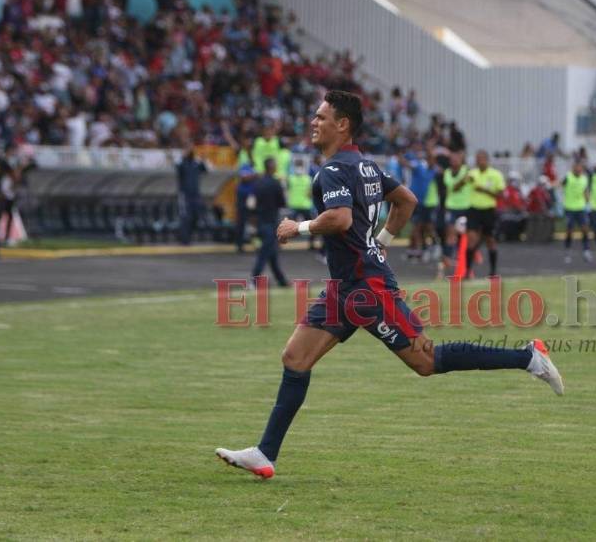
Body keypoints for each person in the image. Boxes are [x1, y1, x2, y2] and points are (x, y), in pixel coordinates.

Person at [216, 90, 564, 479]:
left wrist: (298, 227)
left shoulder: (333, 171)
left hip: (366, 288)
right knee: (294, 359)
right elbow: (407, 201)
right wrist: (379, 244)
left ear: (342, 124)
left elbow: (341, 219)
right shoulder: (364, 166)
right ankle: (265, 454)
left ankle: (528, 357)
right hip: (345, 286)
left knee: (426, 362)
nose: (313, 122)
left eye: (321, 117)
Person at [465, 150, 504, 278]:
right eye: (477, 158)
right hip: (474, 209)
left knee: (490, 240)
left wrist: (484, 190)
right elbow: (456, 187)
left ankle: (493, 271)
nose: (479, 161)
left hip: (488, 210)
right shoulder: (472, 174)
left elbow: (500, 194)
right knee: (471, 240)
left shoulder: (496, 175)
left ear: (487, 160)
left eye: (481, 158)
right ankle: (467, 271)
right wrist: (462, 180)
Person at [250, 157, 288, 287]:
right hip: (271, 222)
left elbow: (252, 204)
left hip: (261, 221)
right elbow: (282, 203)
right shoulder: (275, 183)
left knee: (272, 253)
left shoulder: (258, 183)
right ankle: (254, 280)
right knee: (265, 253)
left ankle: (281, 280)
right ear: (272, 167)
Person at [441, 151, 470, 271]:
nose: (454, 162)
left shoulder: (466, 170)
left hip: (465, 206)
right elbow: (453, 187)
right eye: (452, 160)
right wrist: (462, 181)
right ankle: (448, 258)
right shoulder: (447, 172)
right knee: (450, 233)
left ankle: (463, 257)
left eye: (456, 159)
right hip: (452, 206)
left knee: (464, 234)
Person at [562, 159, 592, 263]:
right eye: (577, 167)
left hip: (581, 208)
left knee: (585, 229)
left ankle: (586, 251)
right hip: (570, 208)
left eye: (581, 167)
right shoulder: (568, 177)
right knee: (569, 231)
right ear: (574, 168)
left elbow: (585, 191)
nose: (579, 169)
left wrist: (589, 202)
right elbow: (560, 185)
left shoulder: (584, 179)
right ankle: (568, 252)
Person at [176, 147, 207, 245]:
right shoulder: (182, 164)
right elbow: (178, 168)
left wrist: (201, 159)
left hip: (196, 194)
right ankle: (185, 240)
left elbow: (205, 170)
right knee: (186, 217)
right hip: (185, 194)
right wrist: (183, 157)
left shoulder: (196, 164)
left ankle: (187, 235)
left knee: (196, 216)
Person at [287, 158, 314, 251]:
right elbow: (310, 194)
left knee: (289, 226)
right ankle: (311, 244)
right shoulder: (308, 179)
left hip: (296, 205)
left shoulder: (291, 178)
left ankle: (284, 242)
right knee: (311, 226)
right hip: (304, 205)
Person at [235, 152, 257, 253]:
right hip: (243, 197)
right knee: (241, 223)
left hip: (252, 197)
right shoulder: (245, 166)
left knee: (254, 221)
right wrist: (253, 175)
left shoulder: (254, 168)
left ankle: (256, 243)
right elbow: (244, 178)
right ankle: (239, 245)